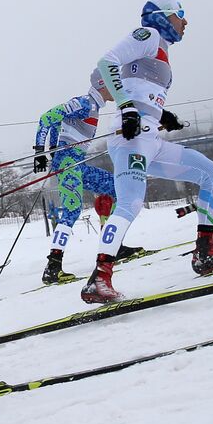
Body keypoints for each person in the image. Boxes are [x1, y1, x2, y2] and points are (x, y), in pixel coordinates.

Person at [80, 0, 213, 304]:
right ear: (162, 17)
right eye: (180, 15)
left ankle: (206, 253)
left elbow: (139, 87)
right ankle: (99, 277)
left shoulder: (161, 50)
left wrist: (162, 115)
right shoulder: (148, 35)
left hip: (150, 140)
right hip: (131, 137)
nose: (185, 22)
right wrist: (127, 108)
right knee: (130, 202)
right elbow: (105, 64)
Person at [32, 84, 141, 284]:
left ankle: (113, 246)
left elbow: (58, 123)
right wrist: (40, 152)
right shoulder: (85, 103)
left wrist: (53, 148)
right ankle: (53, 267)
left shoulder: (94, 107)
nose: (116, 91)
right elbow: (47, 117)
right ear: (102, 87)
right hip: (68, 165)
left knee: (117, 189)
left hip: (77, 164)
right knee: (72, 211)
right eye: (111, 86)